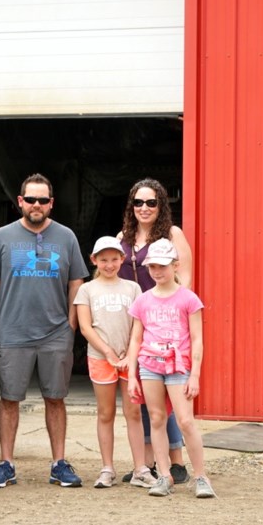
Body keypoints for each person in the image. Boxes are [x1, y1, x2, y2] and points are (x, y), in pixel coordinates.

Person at [0, 173, 90, 488]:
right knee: (9, 399)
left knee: (56, 398)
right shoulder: (2, 237)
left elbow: (76, 281)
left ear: (51, 204)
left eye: (43, 200)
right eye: (31, 199)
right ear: (20, 202)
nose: (36, 205)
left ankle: (58, 464)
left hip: (56, 334)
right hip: (13, 332)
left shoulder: (66, 237)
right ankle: (6, 464)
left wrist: (72, 322)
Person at [116, 178, 193, 485]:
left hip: (164, 325)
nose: (144, 208)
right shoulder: (124, 236)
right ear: (131, 206)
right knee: (144, 394)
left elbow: (185, 279)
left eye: (151, 203)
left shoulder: (173, 234)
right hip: (133, 322)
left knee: (166, 394)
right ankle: (146, 462)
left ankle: (176, 461)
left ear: (161, 205)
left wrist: (169, 320)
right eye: (138, 202)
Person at [126, 239, 216, 498]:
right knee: (156, 418)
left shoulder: (188, 299)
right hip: (150, 366)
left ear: (175, 266)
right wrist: (132, 375)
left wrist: (195, 374)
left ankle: (201, 476)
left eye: (162, 266)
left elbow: (197, 338)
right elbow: (135, 339)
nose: (157, 271)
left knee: (186, 420)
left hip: (178, 367)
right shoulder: (143, 301)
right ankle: (164, 475)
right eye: (152, 266)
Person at [74, 236, 153, 489]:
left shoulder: (132, 289)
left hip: (130, 358)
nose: (109, 265)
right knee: (105, 413)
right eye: (104, 260)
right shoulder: (87, 289)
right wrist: (108, 353)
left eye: (114, 259)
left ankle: (140, 467)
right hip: (100, 357)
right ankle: (107, 468)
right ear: (94, 260)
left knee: (133, 413)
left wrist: (130, 355)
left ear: (122, 260)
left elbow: (138, 326)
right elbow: (85, 327)